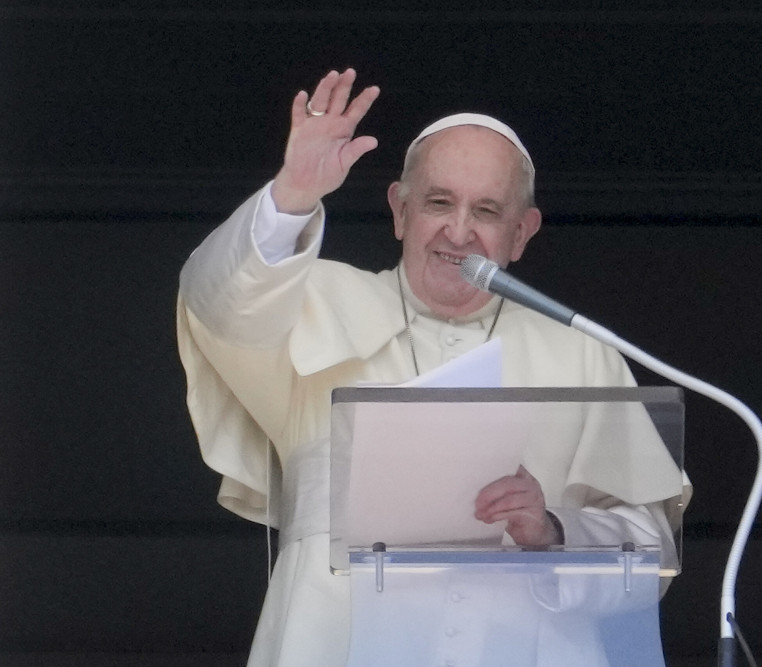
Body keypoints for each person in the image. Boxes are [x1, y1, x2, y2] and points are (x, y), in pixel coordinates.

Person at [177, 69, 688, 666]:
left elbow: (649, 553)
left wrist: (551, 529)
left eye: (488, 211)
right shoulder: (310, 301)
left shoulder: (580, 351)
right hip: (333, 642)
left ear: (521, 233)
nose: (459, 230)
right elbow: (215, 302)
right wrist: (292, 193)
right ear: (399, 210)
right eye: (438, 202)